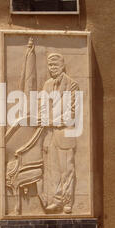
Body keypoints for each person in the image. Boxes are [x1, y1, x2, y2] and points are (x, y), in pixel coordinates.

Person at [40, 53, 79, 214]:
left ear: (62, 66)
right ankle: (57, 201)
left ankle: (67, 202)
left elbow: (72, 112)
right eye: (50, 66)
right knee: (53, 171)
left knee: (67, 170)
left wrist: (53, 121)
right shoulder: (47, 85)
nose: (52, 69)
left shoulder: (72, 85)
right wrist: (44, 118)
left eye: (55, 66)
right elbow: (42, 106)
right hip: (50, 136)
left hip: (65, 134)